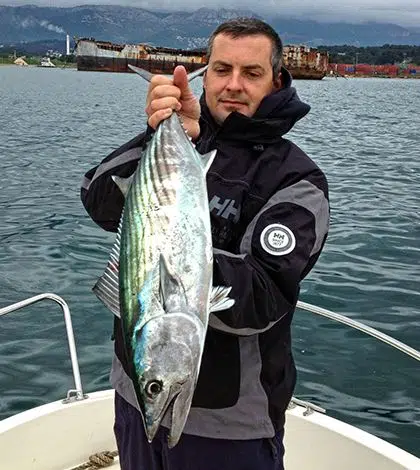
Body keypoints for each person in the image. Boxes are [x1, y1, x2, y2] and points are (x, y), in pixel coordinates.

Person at [81, 17, 329, 470]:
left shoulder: (295, 181)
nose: (233, 85)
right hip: (138, 391)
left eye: (251, 73)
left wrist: (169, 254)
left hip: (229, 424)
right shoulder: (179, 143)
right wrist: (162, 132)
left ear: (275, 81)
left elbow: (263, 296)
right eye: (221, 69)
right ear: (206, 73)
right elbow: (96, 198)